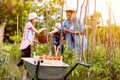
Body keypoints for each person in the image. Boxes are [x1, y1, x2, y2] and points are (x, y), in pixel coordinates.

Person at [17, 12, 46, 80]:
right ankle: (13, 74)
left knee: (27, 62)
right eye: (35, 18)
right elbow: (38, 32)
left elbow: (31, 39)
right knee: (23, 62)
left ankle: (24, 78)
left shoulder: (31, 26)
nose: (36, 20)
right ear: (32, 19)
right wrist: (44, 28)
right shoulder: (28, 24)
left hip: (28, 46)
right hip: (25, 46)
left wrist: (39, 42)